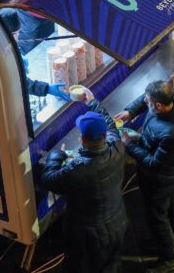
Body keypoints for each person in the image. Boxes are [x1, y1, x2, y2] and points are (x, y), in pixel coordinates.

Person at [41, 91, 128, 272]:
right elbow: (111, 125)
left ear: (82, 140)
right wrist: (93, 102)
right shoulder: (117, 147)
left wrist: (57, 155)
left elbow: (48, 180)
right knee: (110, 265)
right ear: (103, 136)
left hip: (88, 234)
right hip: (118, 222)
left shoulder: (78, 170)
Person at [115, 81, 174, 273]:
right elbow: (145, 98)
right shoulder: (172, 98)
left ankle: (171, 259)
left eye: (148, 102)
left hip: (160, 180)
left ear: (158, 106)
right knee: (164, 211)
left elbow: (153, 162)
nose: (145, 102)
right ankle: (166, 239)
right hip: (165, 171)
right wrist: (131, 112)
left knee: (157, 216)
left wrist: (128, 144)